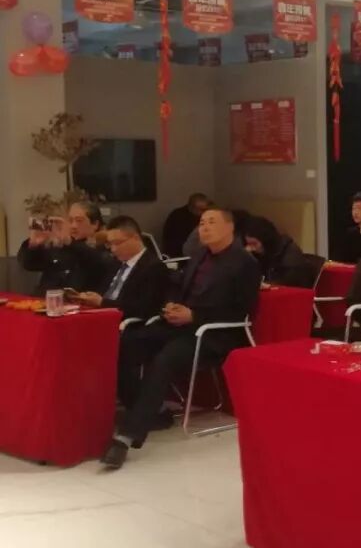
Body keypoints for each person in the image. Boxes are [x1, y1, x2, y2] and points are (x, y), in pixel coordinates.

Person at [102, 208, 262, 469]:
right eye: (202, 223)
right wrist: (171, 305)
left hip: (214, 332)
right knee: (126, 343)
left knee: (166, 358)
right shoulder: (199, 256)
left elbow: (242, 311)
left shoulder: (245, 263)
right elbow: (177, 287)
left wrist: (195, 315)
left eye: (212, 222)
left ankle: (127, 436)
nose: (204, 228)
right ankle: (147, 411)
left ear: (230, 228)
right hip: (181, 325)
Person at [75, 215, 169, 322]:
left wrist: (103, 302)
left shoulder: (153, 267)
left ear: (135, 238)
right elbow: (103, 292)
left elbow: (144, 309)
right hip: (100, 314)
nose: (113, 249)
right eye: (110, 244)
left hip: (124, 321)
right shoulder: (115, 263)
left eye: (117, 243)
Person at [17, 200, 112, 293]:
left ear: (95, 224)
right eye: (70, 220)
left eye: (79, 221)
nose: (73, 226)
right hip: (45, 298)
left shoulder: (105, 245)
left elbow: (100, 262)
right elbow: (28, 265)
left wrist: (70, 242)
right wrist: (33, 245)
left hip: (78, 300)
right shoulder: (59, 245)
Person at [243, 215, 310, 287]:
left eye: (254, 243)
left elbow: (290, 281)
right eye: (248, 244)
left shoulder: (290, 252)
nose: (250, 248)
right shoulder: (258, 254)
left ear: (265, 240)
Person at [162, 192, 210, 257]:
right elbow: (184, 244)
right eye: (202, 210)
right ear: (192, 208)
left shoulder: (199, 215)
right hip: (179, 254)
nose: (205, 212)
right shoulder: (178, 217)